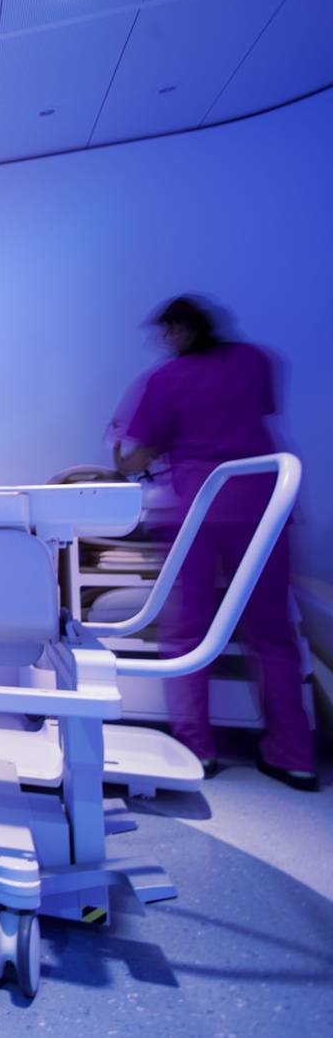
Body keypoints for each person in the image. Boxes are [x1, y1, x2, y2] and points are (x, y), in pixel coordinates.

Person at [115, 296, 316, 791]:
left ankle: (195, 748)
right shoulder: (258, 361)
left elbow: (135, 456)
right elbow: (253, 419)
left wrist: (124, 451)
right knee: (273, 634)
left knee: (188, 633)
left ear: (180, 330)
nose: (163, 343)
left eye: (165, 333)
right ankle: (295, 756)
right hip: (263, 507)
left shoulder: (165, 380)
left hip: (197, 509)